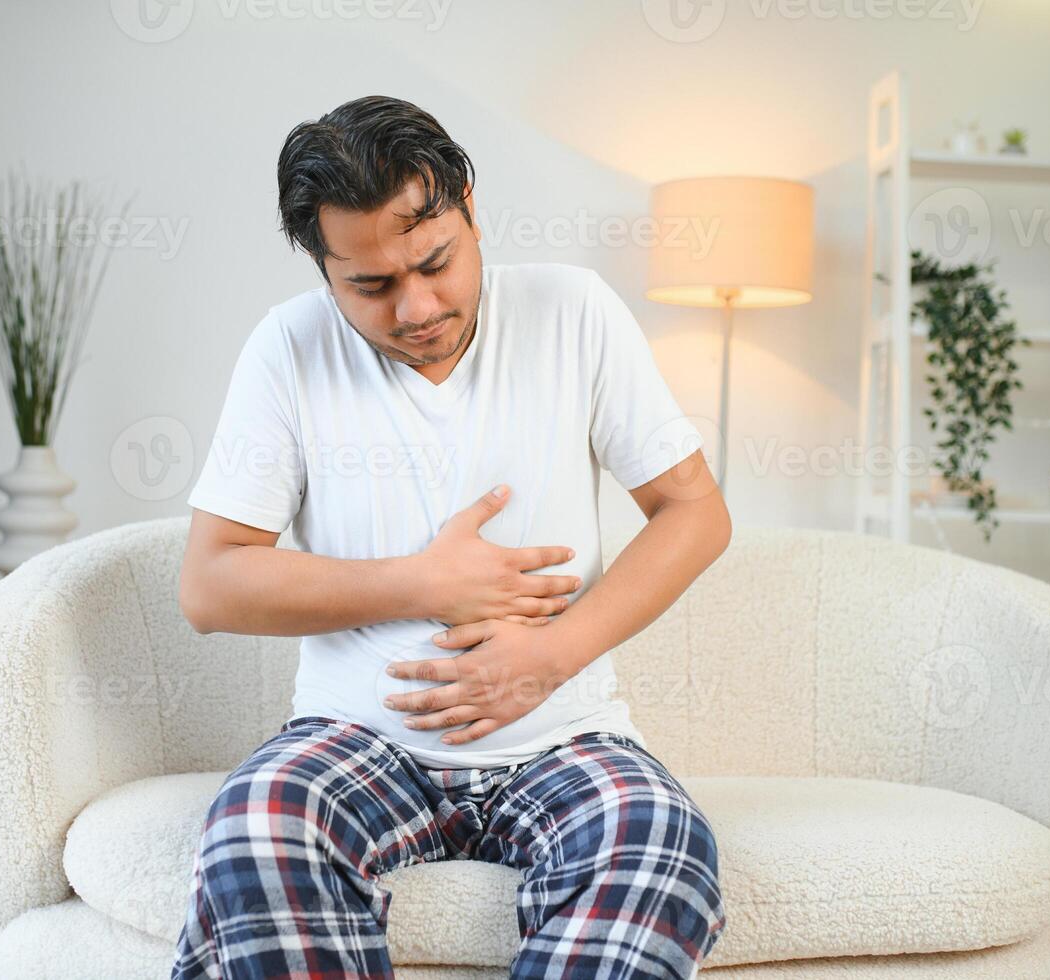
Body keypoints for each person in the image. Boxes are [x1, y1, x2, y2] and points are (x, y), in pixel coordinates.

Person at [172, 94, 730, 979]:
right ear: (322, 269)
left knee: (660, 849)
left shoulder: (573, 311)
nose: (416, 307)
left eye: (435, 262)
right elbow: (210, 586)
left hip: (563, 735)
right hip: (356, 736)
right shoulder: (288, 348)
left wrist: (551, 656)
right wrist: (423, 584)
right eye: (371, 286)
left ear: (468, 205)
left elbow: (695, 511)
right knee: (255, 831)